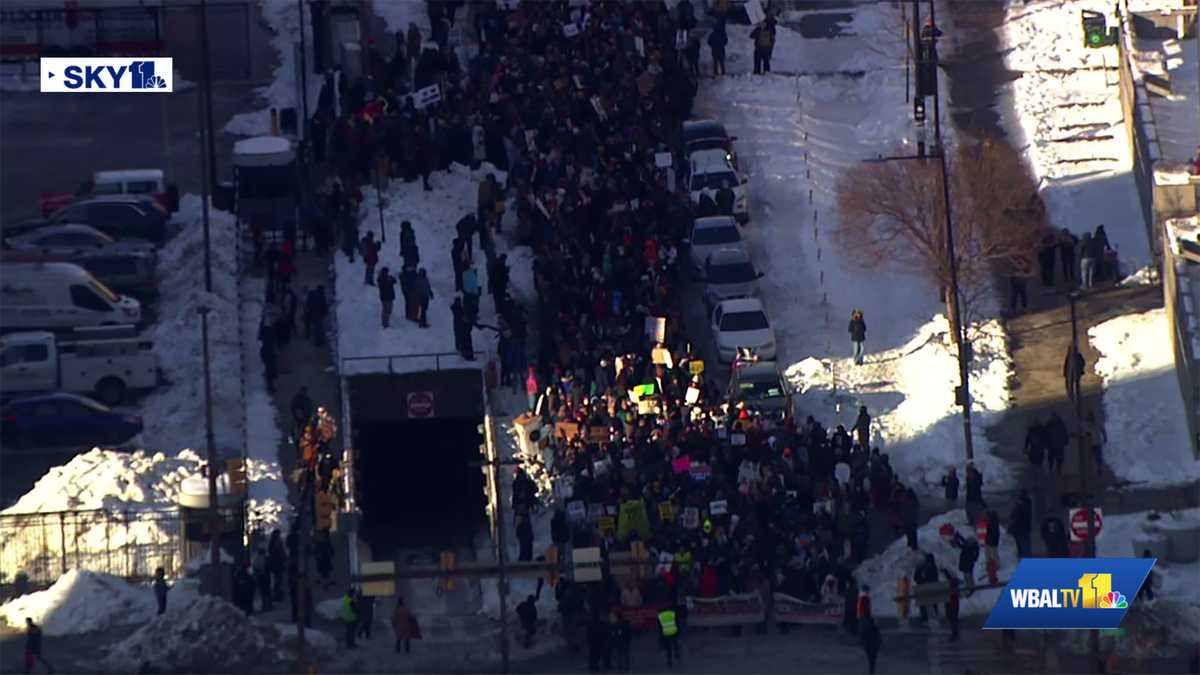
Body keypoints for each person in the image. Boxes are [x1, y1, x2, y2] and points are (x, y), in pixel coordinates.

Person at [1008, 490, 1033, 558]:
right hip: (1024, 528)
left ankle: (1024, 557)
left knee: (1022, 545)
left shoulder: (1020, 506)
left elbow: (1014, 517)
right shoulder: (1027, 504)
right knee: (1025, 544)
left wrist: (1011, 527)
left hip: (1020, 528)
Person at [268, 529, 287, 601]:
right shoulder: (276, 543)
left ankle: (277, 594)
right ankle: (277, 595)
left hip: (276, 564)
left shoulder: (274, 542)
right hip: (277, 564)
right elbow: (281, 553)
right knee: (278, 580)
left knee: (278, 580)